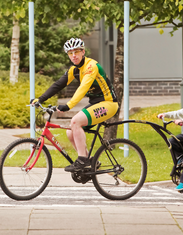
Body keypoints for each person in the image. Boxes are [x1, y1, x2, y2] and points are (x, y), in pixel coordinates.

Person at [31, 38, 119, 172]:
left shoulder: (91, 66)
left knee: (75, 122)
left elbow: (83, 88)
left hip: (108, 104)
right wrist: (40, 99)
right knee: (70, 131)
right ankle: (90, 160)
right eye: (70, 53)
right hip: (95, 104)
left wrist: (68, 105)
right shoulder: (75, 70)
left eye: (76, 52)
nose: (73, 55)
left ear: (83, 52)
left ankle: (82, 160)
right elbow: (58, 85)